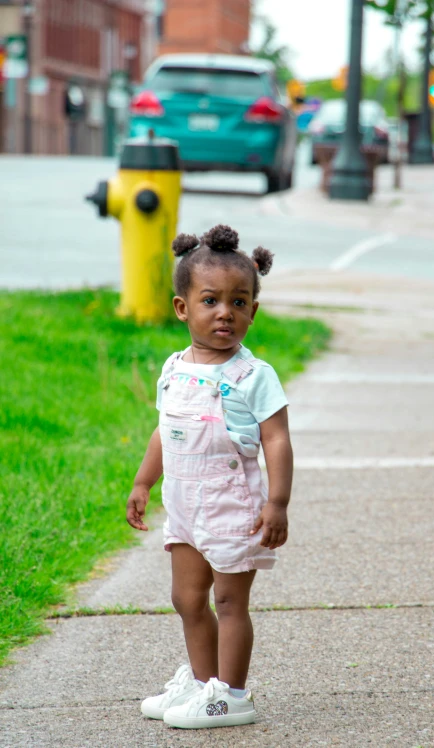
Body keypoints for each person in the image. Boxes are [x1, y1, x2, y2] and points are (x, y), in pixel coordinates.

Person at [125, 225, 293, 729]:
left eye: (239, 302)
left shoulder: (253, 375)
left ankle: (232, 695)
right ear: (183, 309)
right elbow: (164, 430)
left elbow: (277, 440)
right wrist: (142, 482)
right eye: (211, 300)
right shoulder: (174, 368)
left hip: (230, 504)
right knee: (186, 598)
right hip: (182, 504)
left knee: (228, 599)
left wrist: (278, 503)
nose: (226, 312)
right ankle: (203, 685)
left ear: (253, 312)